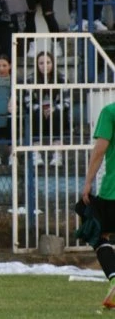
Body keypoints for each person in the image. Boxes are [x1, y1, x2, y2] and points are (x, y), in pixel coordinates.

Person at [81, 101, 115, 309]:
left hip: (112, 191)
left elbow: (100, 149)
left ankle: (114, 276)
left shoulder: (110, 111)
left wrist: (87, 182)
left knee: (98, 234)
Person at [23, 51, 70, 167]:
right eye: (41, 63)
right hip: (38, 115)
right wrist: (40, 108)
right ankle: (36, 153)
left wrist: (54, 108)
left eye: (48, 62)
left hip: (56, 115)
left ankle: (57, 154)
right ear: (36, 65)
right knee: (35, 113)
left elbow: (67, 102)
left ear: (53, 63)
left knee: (58, 113)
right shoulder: (30, 80)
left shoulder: (62, 79)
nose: (44, 66)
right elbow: (28, 102)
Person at [0, 54, 12, 166]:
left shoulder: (15, 81)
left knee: (12, 121)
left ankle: (12, 156)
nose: (1, 68)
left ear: (10, 66)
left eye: (4, 65)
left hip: (11, 114)